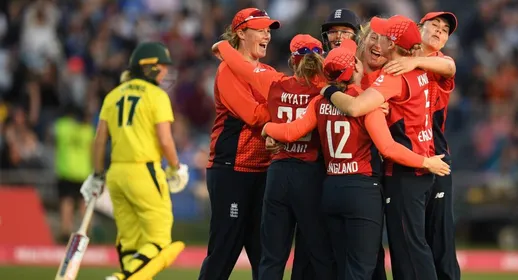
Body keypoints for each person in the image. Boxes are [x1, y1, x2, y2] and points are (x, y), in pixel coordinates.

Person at [262, 39, 449, 279]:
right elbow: (389, 148)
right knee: (361, 269)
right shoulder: (367, 104)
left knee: (340, 265)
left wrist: (267, 128)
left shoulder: (320, 102)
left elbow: (289, 132)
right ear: (356, 69)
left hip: (331, 189)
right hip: (361, 190)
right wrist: (426, 162)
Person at [321, 15, 450, 280]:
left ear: (392, 44)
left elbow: (357, 108)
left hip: (406, 172)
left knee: (410, 253)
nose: (377, 39)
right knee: (415, 250)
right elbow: (448, 66)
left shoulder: (390, 77)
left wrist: (328, 91)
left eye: (382, 36)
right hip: (419, 169)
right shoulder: (420, 71)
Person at [213, 33, 336, 280]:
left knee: (271, 258)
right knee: (320, 253)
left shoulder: (276, 83)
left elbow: (245, 70)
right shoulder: (325, 91)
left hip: (277, 174)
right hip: (309, 173)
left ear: (293, 59)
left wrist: (223, 47)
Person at [80, 42, 189, 280]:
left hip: (116, 175)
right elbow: (165, 139)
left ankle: (126, 273)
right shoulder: (156, 96)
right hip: (145, 171)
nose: (164, 72)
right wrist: (175, 167)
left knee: (130, 243)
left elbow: (99, 141)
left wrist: (97, 174)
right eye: (161, 67)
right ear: (148, 67)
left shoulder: (113, 95)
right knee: (160, 243)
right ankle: (121, 278)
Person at [200, 8, 280, 280]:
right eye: (260, 29)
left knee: (263, 254)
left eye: (268, 30)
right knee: (224, 250)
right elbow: (254, 115)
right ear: (240, 34)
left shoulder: (267, 71)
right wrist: (285, 109)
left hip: (263, 171)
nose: (267, 35)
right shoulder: (227, 71)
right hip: (232, 170)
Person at [383, 11, 461, 280]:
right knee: (411, 242)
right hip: (405, 161)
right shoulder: (395, 64)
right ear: (419, 29)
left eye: (445, 29)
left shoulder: (438, 64)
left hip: (437, 158)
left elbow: (450, 67)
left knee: (440, 240)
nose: (440, 31)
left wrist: (414, 61)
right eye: (434, 25)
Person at [53, 105, 94, 243]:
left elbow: (51, 138)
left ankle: (65, 232)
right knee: (84, 204)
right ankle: (86, 233)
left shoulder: (62, 126)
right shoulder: (87, 130)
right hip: (83, 172)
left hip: (66, 171)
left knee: (66, 201)